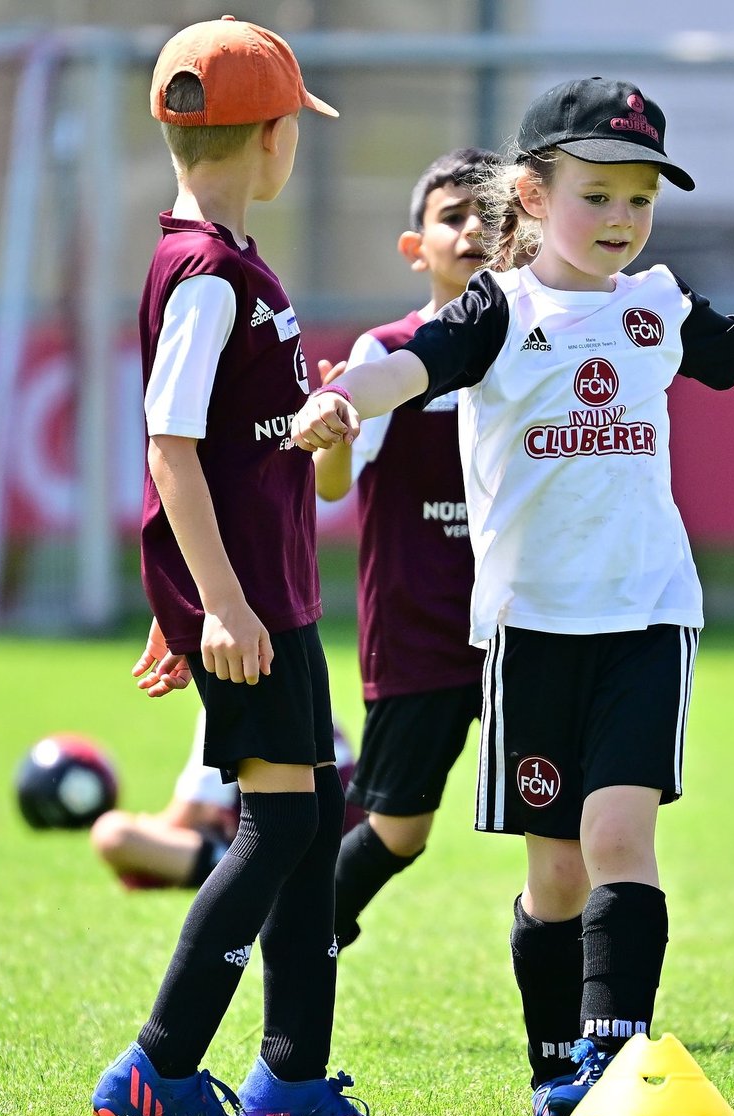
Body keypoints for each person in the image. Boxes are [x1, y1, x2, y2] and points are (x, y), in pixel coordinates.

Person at [290, 77, 734, 1116]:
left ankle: (614, 1065)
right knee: (557, 872)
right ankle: (552, 1071)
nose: (622, 220)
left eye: (639, 198)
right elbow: (410, 365)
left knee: (621, 836)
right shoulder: (497, 310)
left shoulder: (656, 305)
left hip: (644, 617)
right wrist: (343, 400)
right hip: (528, 629)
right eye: (598, 196)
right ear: (531, 198)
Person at [92, 17, 371, 1116]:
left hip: (267, 593)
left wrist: (302, 423)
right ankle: (154, 1068)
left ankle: (291, 1075)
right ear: (273, 139)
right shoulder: (208, 272)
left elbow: (219, 439)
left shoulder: (226, 263)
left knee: (314, 809)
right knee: (274, 823)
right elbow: (169, 446)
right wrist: (208, 598)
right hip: (247, 599)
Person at [310, 148, 520, 950]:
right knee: (399, 828)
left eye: (491, 217)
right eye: (453, 216)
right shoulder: (388, 354)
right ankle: (305, 930)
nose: (473, 230)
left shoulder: (541, 345)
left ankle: (585, 1020)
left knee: (569, 827)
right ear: (416, 247)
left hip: (528, 624)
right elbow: (333, 486)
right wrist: (332, 431)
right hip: (419, 633)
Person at [90, 713, 365, 891]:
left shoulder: (232, 694)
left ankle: (236, 870)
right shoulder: (304, 676)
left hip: (283, 849)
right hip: (340, 849)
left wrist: (144, 825)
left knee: (113, 832)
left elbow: (185, 816)